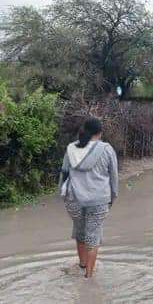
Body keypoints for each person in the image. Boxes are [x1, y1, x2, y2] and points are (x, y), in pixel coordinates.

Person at [60, 117, 118, 278]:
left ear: (83, 131)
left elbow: (64, 174)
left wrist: (63, 195)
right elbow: (114, 178)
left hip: (74, 200)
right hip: (98, 200)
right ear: (99, 133)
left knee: (80, 231)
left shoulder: (71, 148)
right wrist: (112, 198)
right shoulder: (106, 150)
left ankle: (82, 264)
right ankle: (88, 277)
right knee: (93, 235)